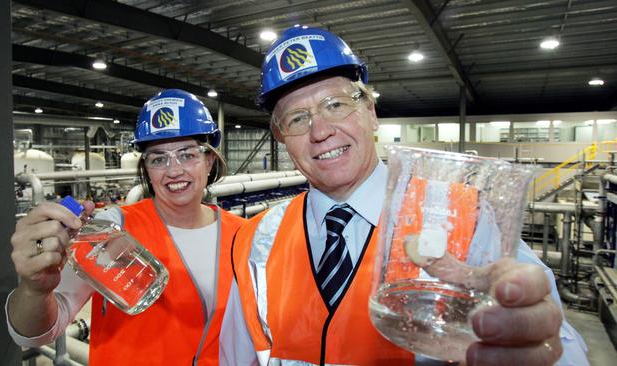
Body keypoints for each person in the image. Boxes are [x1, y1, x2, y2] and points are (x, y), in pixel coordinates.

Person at [220, 26, 589, 365]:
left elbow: (558, 348)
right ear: (281, 137)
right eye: (297, 118)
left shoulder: (463, 218)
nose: (320, 131)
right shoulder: (256, 241)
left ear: (371, 113)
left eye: (335, 105)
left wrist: (534, 347)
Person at [7, 89, 245, 365]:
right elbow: (34, 334)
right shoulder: (112, 228)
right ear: (146, 168)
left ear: (209, 160)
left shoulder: (243, 235)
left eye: (187, 154)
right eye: (158, 158)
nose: (174, 170)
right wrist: (34, 290)